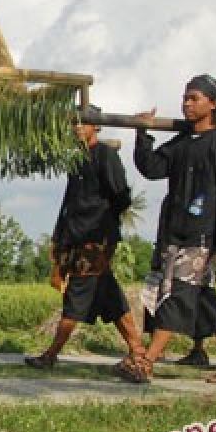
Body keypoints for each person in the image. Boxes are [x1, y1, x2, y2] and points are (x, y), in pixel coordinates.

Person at [119, 73, 216, 384]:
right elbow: (151, 168)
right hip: (173, 233)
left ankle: (147, 361)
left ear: (213, 104)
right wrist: (142, 133)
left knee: (176, 295)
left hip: (200, 237)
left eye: (195, 98)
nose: (187, 104)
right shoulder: (180, 144)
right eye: (185, 98)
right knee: (203, 297)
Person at [24, 116, 145, 370]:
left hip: (95, 240)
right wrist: (58, 238)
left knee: (77, 294)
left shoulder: (105, 155)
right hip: (74, 237)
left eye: (84, 123)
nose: (78, 128)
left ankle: (51, 354)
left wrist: (102, 223)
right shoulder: (76, 160)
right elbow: (68, 203)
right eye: (74, 124)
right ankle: (138, 349)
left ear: (96, 126)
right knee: (108, 295)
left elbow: (121, 196)